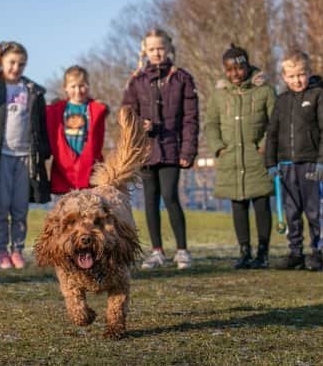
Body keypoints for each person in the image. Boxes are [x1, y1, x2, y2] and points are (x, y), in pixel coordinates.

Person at [121, 28, 199, 270]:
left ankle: (182, 250)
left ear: (169, 49)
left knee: (170, 196)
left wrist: (188, 151)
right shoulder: (137, 80)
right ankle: (156, 251)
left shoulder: (182, 79)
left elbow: (190, 118)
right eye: (152, 49)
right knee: (150, 200)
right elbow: (127, 113)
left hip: (172, 149)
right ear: (146, 50)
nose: (157, 53)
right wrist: (139, 125)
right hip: (145, 151)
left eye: (161, 48)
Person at [0, 41, 51, 269]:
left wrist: (43, 152)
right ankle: (1, 252)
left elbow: (41, 125)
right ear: (1, 62)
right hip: (0, 158)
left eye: (21, 64)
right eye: (12, 62)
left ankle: (17, 251)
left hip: (25, 158)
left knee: (20, 208)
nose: (16, 68)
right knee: (1, 208)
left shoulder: (33, 91)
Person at [205, 44, 277, 269]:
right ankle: (244, 251)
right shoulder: (219, 95)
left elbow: (275, 121)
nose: (235, 74)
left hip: (257, 158)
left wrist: (264, 146)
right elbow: (211, 124)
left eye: (239, 68)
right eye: (229, 70)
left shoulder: (264, 90)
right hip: (231, 158)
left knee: (262, 203)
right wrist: (219, 148)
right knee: (238, 205)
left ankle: (263, 253)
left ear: (247, 66)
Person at [265, 50, 323, 271]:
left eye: (302, 74)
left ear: (309, 73)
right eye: (292, 76)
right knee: (291, 211)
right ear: (284, 77)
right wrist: (270, 163)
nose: (297, 80)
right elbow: (273, 133)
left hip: (312, 165)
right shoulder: (281, 101)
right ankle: (295, 252)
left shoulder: (318, 96)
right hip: (286, 166)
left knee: (314, 210)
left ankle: (316, 252)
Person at [46, 66, 108, 194]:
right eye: (73, 86)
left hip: (89, 166)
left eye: (82, 86)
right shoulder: (58, 110)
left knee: (89, 207)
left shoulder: (94, 109)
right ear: (65, 87)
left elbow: (97, 141)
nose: (78, 90)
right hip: (64, 166)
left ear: (88, 86)